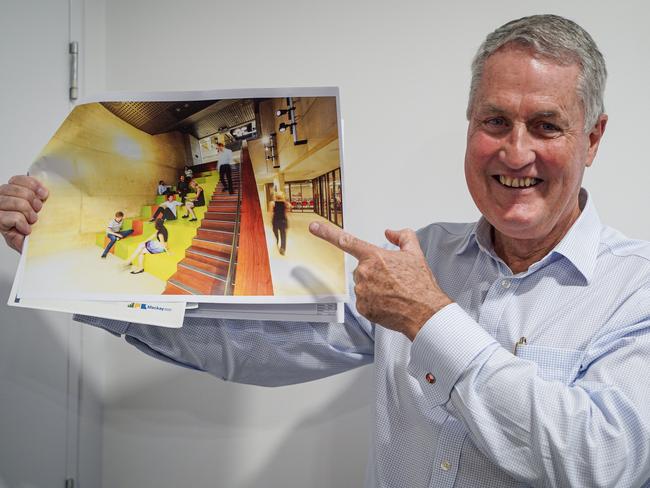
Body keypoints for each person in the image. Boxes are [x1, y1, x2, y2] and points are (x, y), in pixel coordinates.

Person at [2, 15, 650, 488]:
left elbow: (598, 464)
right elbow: (259, 341)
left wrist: (431, 320)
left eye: (546, 126)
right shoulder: (422, 256)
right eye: (494, 121)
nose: (515, 152)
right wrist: (75, 263)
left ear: (592, 139)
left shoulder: (636, 290)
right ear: (471, 126)